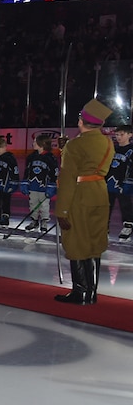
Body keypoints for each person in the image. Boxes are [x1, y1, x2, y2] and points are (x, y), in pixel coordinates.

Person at [54, 99, 115, 304]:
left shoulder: (76, 145)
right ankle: (92, 292)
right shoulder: (107, 142)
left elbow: (69, 179)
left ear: (82, 121)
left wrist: (61, 210)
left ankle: (80, 291)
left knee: (77, 242)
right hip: (100, 193)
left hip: (80, 196)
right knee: (94, 243)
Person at [22, 134, 58, 231]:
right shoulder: (31, 157)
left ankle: (44, 221)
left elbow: (54, 173)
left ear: (41, 144)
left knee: (44, 205)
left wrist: (51, 186)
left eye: (35, 142)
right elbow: (27, 170)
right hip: (33, 186)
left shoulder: (50, 158)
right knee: (33, 203)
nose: (33, 143)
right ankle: (34, 220)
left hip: (44, 187)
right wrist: (25, 182)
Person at [106, 125, 133, 242]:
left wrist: (129, 181)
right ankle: (103, 227)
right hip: (110, 181)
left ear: (130, 135)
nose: (119, 137)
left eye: (122, 134)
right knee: (107, 205)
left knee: (125, 204)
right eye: (117, 135)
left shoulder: (131, 150)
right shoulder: (113, 149)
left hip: (124, 181)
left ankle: (128, 226)